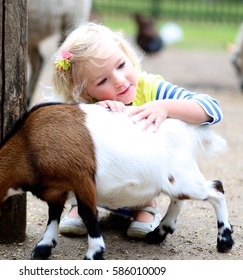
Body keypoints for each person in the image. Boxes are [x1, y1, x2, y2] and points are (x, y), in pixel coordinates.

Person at [50, 22, 223, 239]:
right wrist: (95, 115)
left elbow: (212, 109)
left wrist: (165, 107)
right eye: (103, 80)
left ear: (127, 54)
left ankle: (145, 207)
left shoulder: (152, 88)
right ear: (85, 92)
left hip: (143, 186)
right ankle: (82, 205)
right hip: (98, 188)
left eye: (121, 66)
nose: (120, 81)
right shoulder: (87, 107)